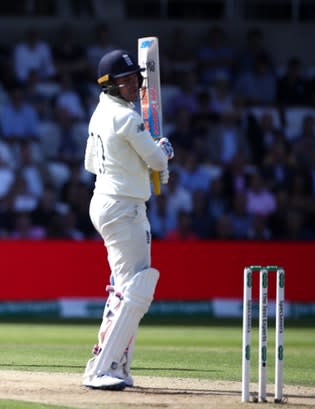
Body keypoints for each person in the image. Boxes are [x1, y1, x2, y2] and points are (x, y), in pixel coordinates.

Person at [82, 49, 174, 390]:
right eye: (125, 81)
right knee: (136, 288)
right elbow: (156, 158)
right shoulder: (126, 117)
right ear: (109, 85)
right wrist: (162, 150)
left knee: (125, 287)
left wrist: (146, 161)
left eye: (135, 79)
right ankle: (101, 368)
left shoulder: (99, 115)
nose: (133, 85)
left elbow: (92, 164)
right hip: (124, 206)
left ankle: (117, 364)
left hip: (106, 199)